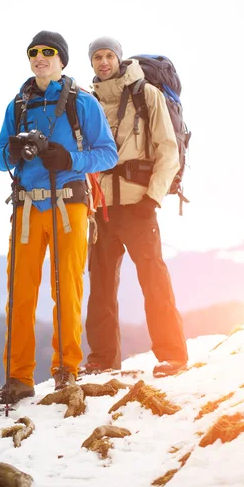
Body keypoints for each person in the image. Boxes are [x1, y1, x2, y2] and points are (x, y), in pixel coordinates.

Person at [0, 31, 118, 404]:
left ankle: (66, 370)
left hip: (69, 207)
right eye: (34, 52)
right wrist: (13, 152)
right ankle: (18, 378)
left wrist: (70, 160)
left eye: (48, 52)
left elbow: (108, 154)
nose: (40, 57)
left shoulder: (83, 103)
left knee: (66, 290)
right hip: (28, 208)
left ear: (62, 60)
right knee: (20, 294)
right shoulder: (17, 106)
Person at [84, 36, 188, 377]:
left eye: (108, 55)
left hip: (139, 205)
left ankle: (172, 354)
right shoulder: (88, 102)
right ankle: (101, 358)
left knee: (153, 279)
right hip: (101, 210)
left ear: (118, 58)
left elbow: (168, 150)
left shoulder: (147, 94)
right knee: (99, 285)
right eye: (97, 57)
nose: (103, 62)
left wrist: (152, 198)